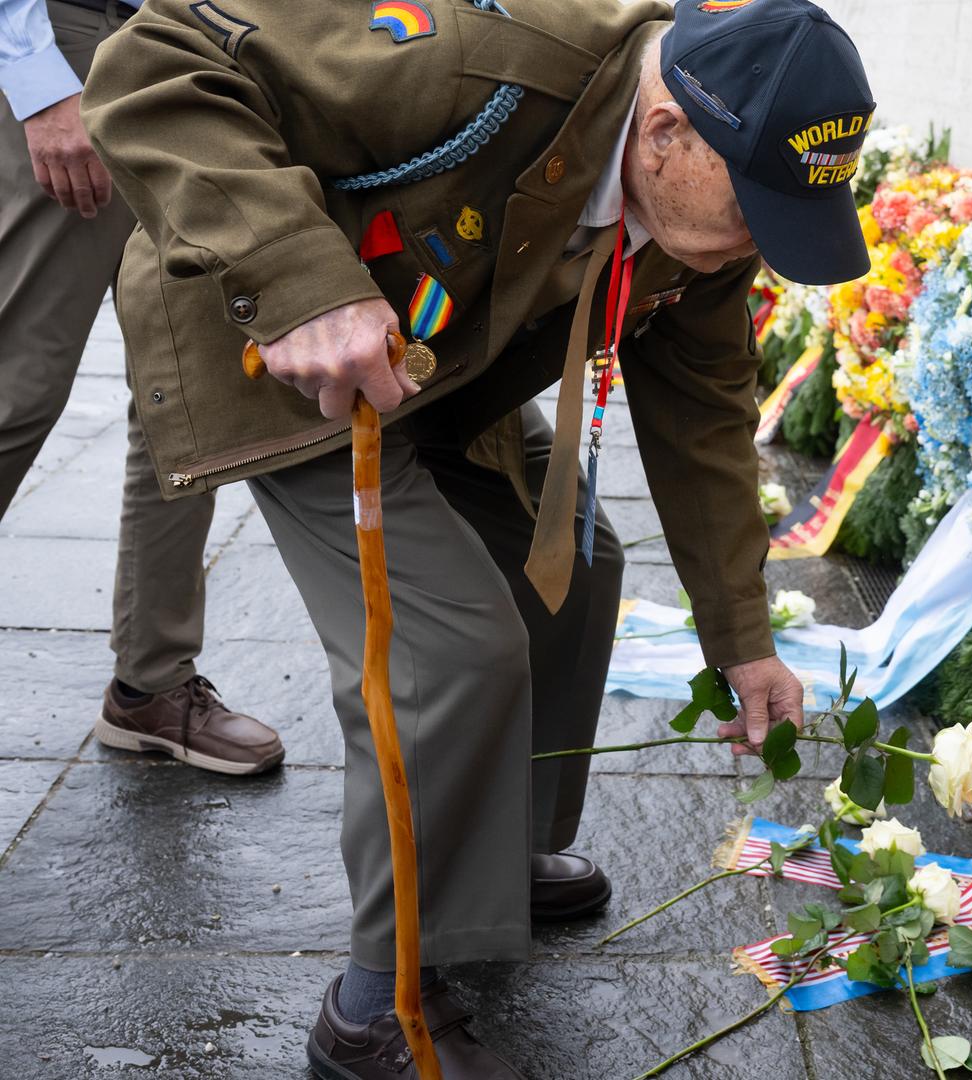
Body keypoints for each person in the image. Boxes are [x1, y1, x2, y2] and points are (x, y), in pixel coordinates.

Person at [84, 0, 872, 1074]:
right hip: (273, 350)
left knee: (579, 570)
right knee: (449, 647)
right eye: (756, 204)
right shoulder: (476, 67)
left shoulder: (699, 205)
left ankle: (487, 867)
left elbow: (705, 413)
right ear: (665, 131)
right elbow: (151, 58)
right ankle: (378, 1004)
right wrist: (301, 281)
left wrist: (740, 636)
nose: (759, 244)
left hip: (432, 366)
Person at [0, 0, 282, 775]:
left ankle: (151, 683)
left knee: (184, 389)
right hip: (73, 39)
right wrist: (37, 78)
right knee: (17, 387)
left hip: (199, 46)